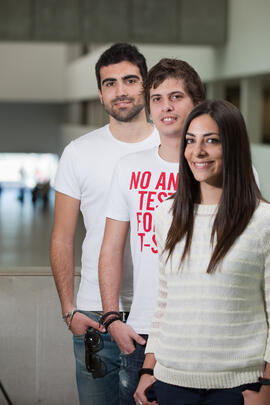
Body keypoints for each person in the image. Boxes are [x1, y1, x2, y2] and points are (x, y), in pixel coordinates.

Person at [134, 99, 270, 405]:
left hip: (240, 386)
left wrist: (267, 385)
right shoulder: (166, 215)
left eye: (212, 141)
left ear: (233, 147)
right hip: (170, 383)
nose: (198, 152)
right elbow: (165, 301)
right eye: (191, 141)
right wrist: (148, 369)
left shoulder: (262, 221)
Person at [50, 43, 159, 405]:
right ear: (100, 93)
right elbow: (63, 238)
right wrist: (71, 311)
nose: (120, 90)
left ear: (146, 85)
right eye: (109, 83)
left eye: (130, 80)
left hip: (159, 314)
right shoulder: (79, 152)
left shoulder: (175, 146)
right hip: (95, 316)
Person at [98, 58, 206, 404]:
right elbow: (111, 247)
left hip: (207, 327)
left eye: (176, 97)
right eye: (157, 98)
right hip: (143, 331)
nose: (166, 107)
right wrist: (112, 317)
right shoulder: (130, 168)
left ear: (197, 104)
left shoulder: (230, 168)